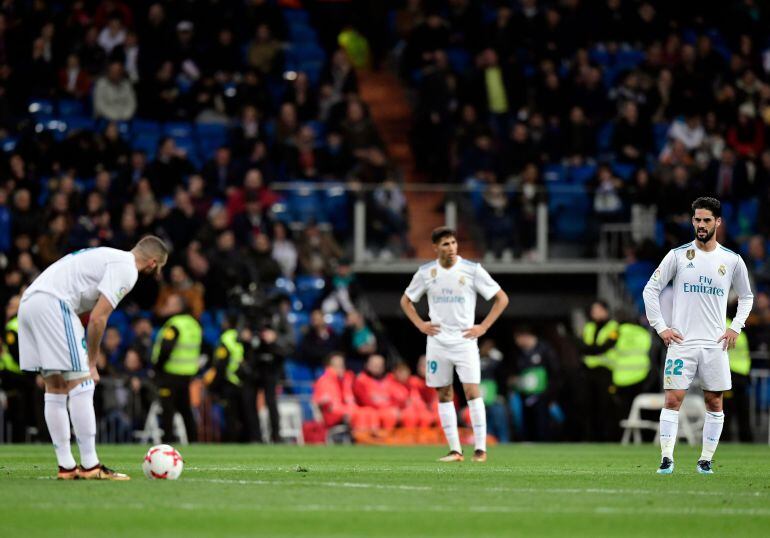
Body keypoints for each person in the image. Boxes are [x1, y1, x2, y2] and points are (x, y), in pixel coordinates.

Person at [18, 236, 168, 480]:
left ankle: (66, 467)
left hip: (30, 302)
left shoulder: (109, 255)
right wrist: (91, 362)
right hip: (54, 304)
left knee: (55, 387)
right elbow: (99, 318)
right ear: (152, 263)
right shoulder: (127, 269)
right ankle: (90, 465)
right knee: (83, 382)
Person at [643, 197, 753, 475]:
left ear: (718, 222)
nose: (701, 225)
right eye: (697, 220)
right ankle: (666, 458)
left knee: (715, 402)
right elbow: (650, 290)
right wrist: (661, 327)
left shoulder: (731, 260)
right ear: (692, 221)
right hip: (682, 342)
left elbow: (747, 296)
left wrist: (735, 326)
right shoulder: (678, 255)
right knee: (672, 399)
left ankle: (705, 460)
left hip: (715, 344)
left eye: (706, 220)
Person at [400, 226, 509, 462]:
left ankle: (480, 449)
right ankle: (455, 450)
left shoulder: (472, 270)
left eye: (454, 243)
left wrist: (483, 327)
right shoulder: (426, 272)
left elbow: (502, 298)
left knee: (472, 391)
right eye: (446, 244)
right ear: (435, 248)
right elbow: (406, 300)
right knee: (444, 393)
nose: (452, 248)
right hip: (437, 342)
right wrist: (420, 324)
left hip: (464, 341)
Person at [150, 293, 203, 444]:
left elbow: (166, 348)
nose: (166, 306)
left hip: (170, 373)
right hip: (187, 374)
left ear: (178, 306)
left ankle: (167, 442)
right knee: (185, 409)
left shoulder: (174, 325)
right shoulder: (194, 324)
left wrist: (157, 367)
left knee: (168, 409)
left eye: (169, 303)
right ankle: (194, 441)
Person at [578, 300, 619, 441]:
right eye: (593, 310)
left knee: (605, 405)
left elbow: (605, 347)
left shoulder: (613, 327)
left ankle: (606, 438)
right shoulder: (588, 327)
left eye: (597, 309)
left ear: (605, 311)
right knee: (588, 405)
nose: (593, 312)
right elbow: (582, 346)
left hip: (605, 371)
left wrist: (592, 350)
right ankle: (590, 437)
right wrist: (594, 350)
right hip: (589, 371)